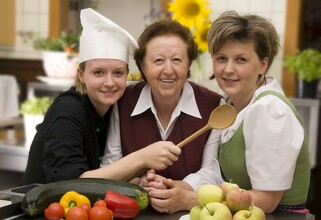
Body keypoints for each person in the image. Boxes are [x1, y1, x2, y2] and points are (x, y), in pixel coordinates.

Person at [20, 8, 181, 185]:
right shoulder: (68, 111)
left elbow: (101, 175)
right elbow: (70, 182)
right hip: (37, 209)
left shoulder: (115, 108)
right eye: (99, 73)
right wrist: (142, 158)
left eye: (118, 73)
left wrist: (139, 182)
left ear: (127, 74)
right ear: (81, 74)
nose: (109, 82)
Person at [102, 19, 224, 213]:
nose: (168, 70)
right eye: (158, 60)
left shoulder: (213, 106)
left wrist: (179, 188)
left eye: (177, 60)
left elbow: (211, 171)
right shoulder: (123, 101)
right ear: (142, 65)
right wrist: (139, 182)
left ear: (189, 63)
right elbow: (111, 163)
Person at [206, 11, 310, 213]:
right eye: (221, 58)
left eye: (241, 60)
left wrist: (189, 199)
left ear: (263, 65)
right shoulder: (230, 104)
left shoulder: (270, 109)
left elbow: (266, 201)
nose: (228, 69)